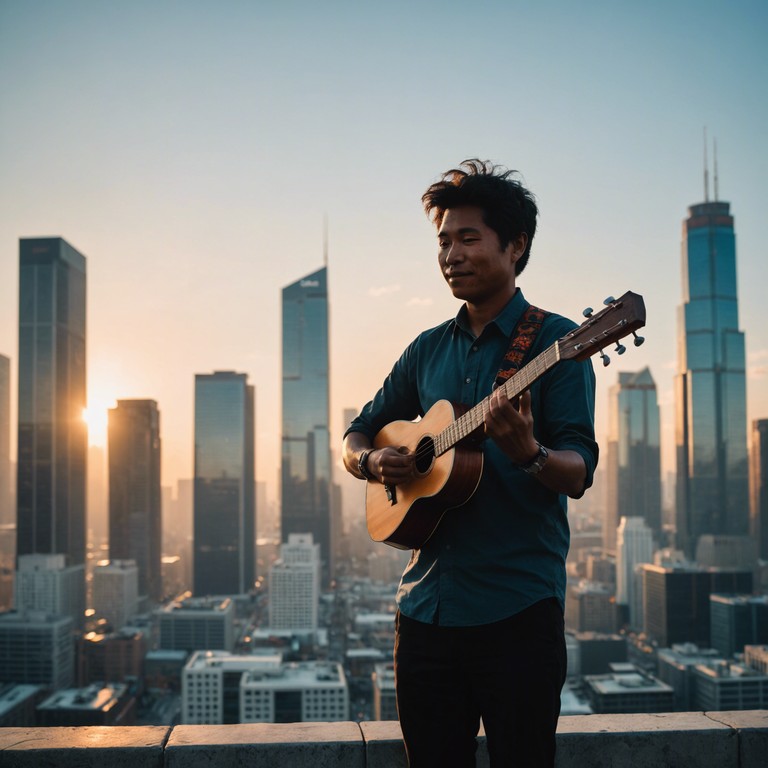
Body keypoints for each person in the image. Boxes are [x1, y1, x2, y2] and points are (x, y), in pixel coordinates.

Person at [342, 159, 598, 768]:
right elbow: (356, 433)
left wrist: (528, 454)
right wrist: (376, 461)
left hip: (517, 613)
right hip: (424, 613)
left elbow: (579, 471)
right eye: (443, 241)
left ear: (516, 245)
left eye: (468, 238)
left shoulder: (557, 345)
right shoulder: (425, 349)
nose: (451, 254)